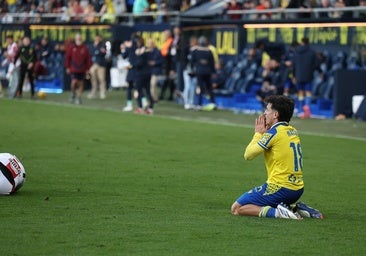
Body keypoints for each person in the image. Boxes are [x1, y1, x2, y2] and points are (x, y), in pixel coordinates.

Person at [231, 95, 323, 219]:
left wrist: (258, 133)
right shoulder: (292, 131)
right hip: (297, 189)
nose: (264, 113)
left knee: (237, 208)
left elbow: (248, 155)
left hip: (280, 188)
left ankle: (279, 213)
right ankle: (295, 208)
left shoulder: (273, 133)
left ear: (275, 115)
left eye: (267, 110)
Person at [292, 37, 318, 118]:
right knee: (308, 92)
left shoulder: (296, 51)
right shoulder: (312, 52)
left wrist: (294, 75)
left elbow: (293, 64)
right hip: (308, 75)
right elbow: (316, 64)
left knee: (300, 92)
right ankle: (307, 109)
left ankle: (300, 110)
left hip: (298, 74)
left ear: (301, 42)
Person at [64, 33, 92, 104]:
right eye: (78, 38)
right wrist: (67, 67)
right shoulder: (72, 48)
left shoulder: (85, 48)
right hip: (74, 69)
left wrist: (88, 69)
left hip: (82, 69)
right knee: (74, 82)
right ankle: (73, 93)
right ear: (76, 39)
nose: (79, 39)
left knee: (81, 83)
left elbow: (88, 59)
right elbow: (68, 58)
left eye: (80, 38)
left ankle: (79, 97)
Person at [191, 36, 216, 110]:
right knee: (209, 88)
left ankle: (199, 103)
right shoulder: (209, 51)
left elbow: (192, 61)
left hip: (199, 71)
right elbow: (212, 63)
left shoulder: (196, 51)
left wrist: (192, 69)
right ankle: (212, 102)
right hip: (207, 71)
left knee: (200, 87)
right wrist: (213, 71)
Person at [131, 37, 154, 115]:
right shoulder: (147, 51)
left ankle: (140, 107)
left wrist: (132, 65)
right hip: (148, 73)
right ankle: (150, 108)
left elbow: (139, 63)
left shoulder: (141, 52)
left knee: (138, 90)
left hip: (141, 74)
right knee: (148, 91)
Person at [87, 34, 107, 100]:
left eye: (98, 38)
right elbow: (90, 52)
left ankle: (102, 93)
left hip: (101, 64)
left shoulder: (103, 45)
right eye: (96, 38)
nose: (97, 39)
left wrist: (97, 52)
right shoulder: (92, 45)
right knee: (93, 79)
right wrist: (97, 52)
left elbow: (103, 52)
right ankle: (94, 92)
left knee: (101, 79)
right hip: (93, 64)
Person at [146, 38, 163, 103]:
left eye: (151, 43)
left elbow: (161, 61)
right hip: (148, 70)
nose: (149, 45)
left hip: (155, 70)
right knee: (149, 85)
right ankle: (152, 98)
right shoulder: (147, 51)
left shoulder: (157, 51)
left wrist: (154, 62)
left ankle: (154, 98)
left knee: (153, 84)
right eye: (149, 43)